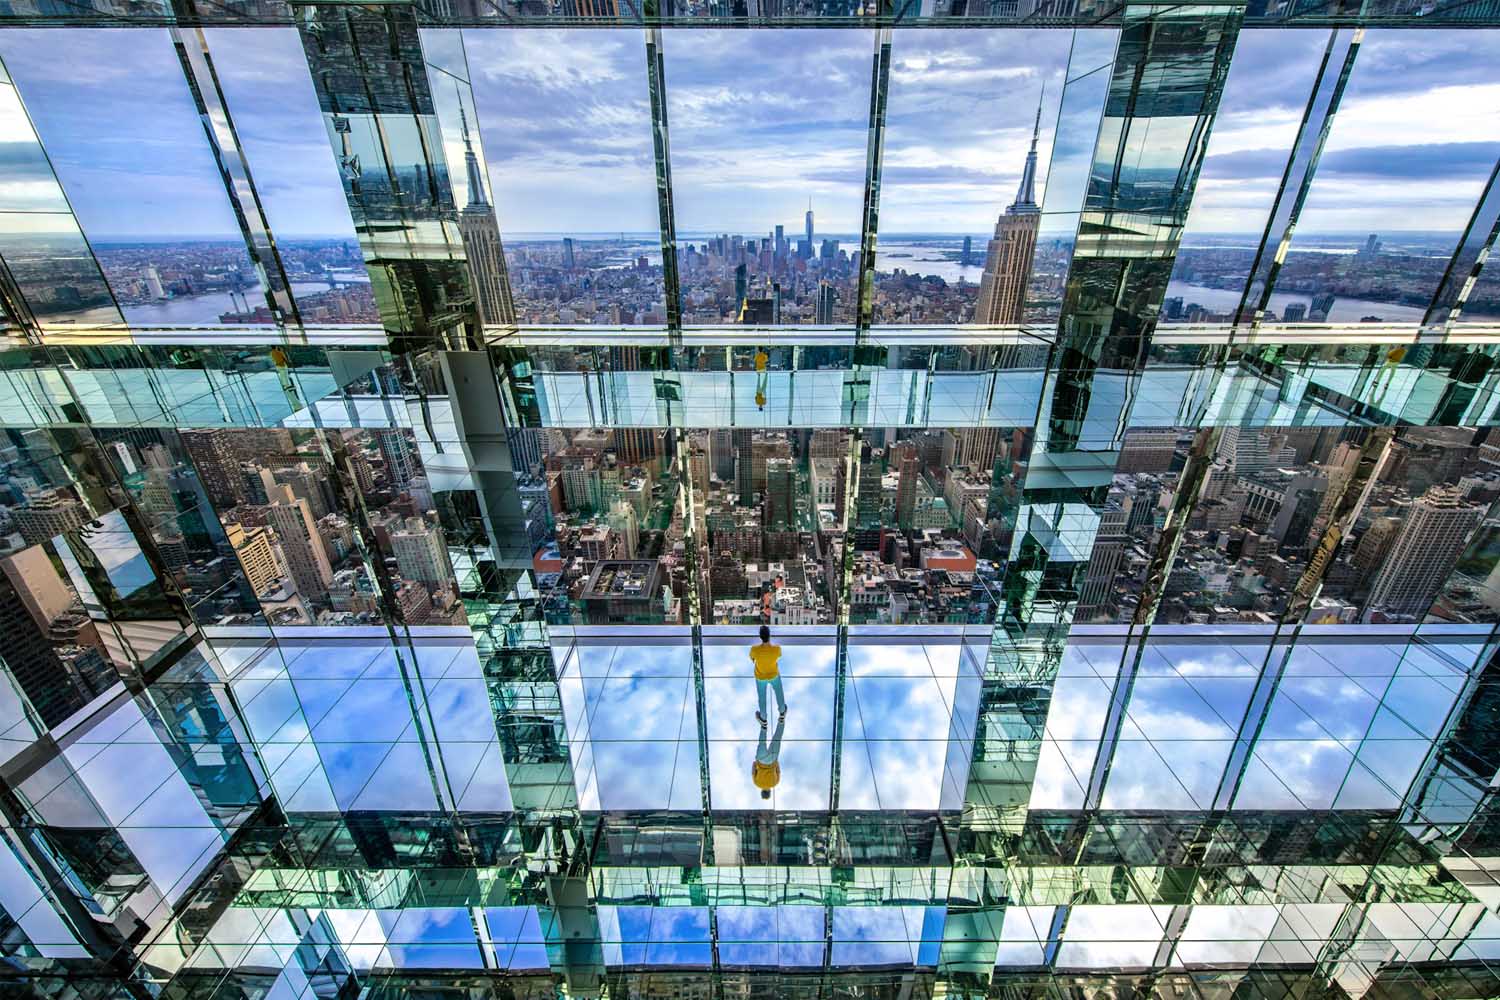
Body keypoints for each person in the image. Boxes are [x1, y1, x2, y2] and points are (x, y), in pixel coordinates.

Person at [749, 624, 786, 726]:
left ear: (760, 637)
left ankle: (763, 719)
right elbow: (779, 656)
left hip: (760, 676)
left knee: (762, 698)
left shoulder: (754, 649)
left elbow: (752, 658)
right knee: (779, 693)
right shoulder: (776, 649)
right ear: (769, 636)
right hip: (774, 674)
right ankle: (782, 712)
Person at [752, 714, 785, 801]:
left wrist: (775, 760)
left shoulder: (775, 783)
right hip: (761, 760)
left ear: (770, 791)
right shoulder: (757, 783)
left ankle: (781, 720)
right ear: (762, 791)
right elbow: (753, 768)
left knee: (777, 738)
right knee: (762, 741)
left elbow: (778, 769)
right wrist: (756, 762)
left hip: (772, 760)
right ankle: (764, 726)